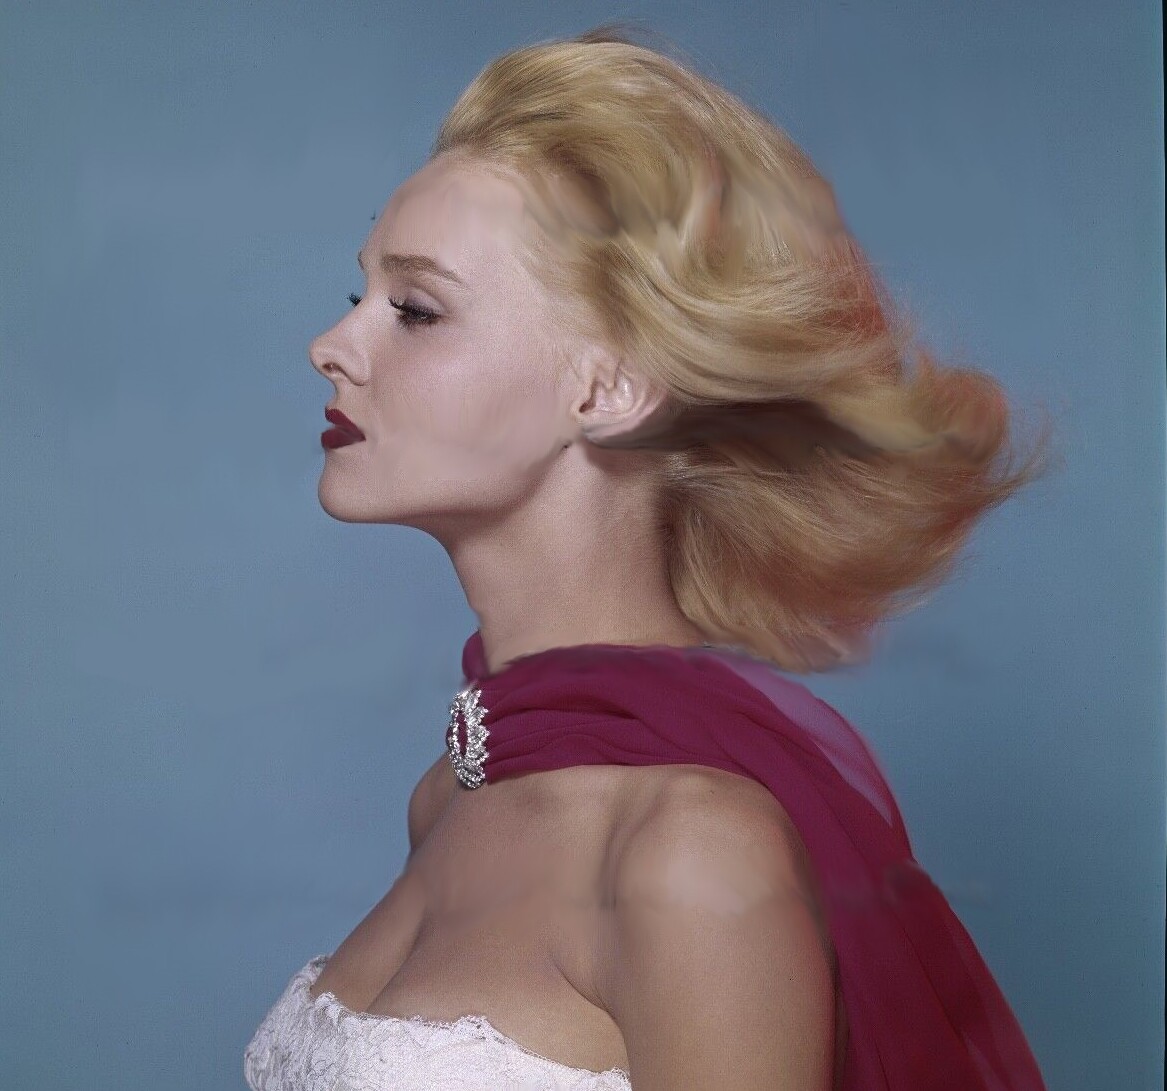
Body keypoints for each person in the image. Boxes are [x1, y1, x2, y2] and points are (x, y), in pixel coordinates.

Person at [245, 25, 1055, 1091]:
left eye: (417, 309)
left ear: (610, 387)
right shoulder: (449, 795)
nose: (334, 344)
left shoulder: (691, 849)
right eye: (356, 295)